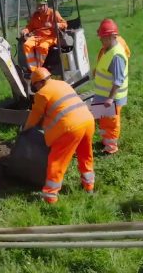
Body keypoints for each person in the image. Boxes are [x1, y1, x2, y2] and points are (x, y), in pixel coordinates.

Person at [23, 67, 95, 204]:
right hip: (87, 120)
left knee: (57, 162)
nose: (36, 88)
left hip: (70, 128)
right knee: (85, 154)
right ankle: (89, 185)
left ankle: (50, 196)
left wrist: (25, 130)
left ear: (38, 83)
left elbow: (35, 116)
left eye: (35, 85)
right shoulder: (63, 84)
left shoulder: (42, 93)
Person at [94, 19, 129, 154]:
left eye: (102, 38)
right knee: (103, 120)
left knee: (111, 123)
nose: (100, 41)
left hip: (111, 97)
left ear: (110, 37)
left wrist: (110, 98)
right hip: (102, 94)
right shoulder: (108, 49)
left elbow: (118, 80)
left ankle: (111, 148)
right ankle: (104, 140)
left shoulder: (116, 56)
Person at [21, 0, 67, 72]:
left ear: (46, 5)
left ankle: (40, 69)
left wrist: (54, 24)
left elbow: (64, 24)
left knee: (42, 47)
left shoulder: (53, 13)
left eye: (41, 6)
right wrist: (25, 30)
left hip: (50, 37)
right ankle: (33, 70)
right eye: (37, 6)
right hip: (37, 37)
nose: (38, 8)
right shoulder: (35, 15)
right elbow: (30, 27)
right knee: (27, 45)